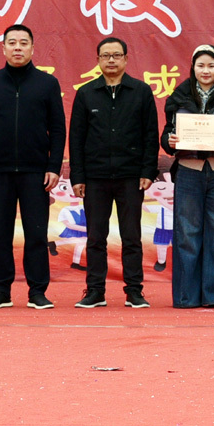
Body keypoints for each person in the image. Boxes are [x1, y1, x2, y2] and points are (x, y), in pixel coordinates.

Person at [0, 24, 65, 310]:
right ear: (3, 48)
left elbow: (57, 129)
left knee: (36, 234)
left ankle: (37, 291)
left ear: (33, 48)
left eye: (24, 43)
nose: (18, 48)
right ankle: (1, 290)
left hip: (36, 172)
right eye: (12, 43)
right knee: (0, 233)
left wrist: (54, 166)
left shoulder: (47, 83)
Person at [69, 37, 159, 309]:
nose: (111, 60)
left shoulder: (141, 91)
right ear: (98, 60)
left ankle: (134, 291)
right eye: (105, 55)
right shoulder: (86, 93)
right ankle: (95, 291)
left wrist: (148, 170)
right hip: (95, 177)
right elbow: (76, 138)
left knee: (131, 237)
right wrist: (78, 176)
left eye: (116, 55)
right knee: (96, 237)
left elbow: (150, 135)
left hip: (131, 176)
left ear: (126, 59)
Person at [161, 45, 214, 308]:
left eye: (211, 65)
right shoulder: (178, 97)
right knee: (187, 233)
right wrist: (170, 141)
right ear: (193, 68)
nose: (206, 71)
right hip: (188, 171)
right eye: (201, 65)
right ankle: (186, 296)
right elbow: (167, 136)